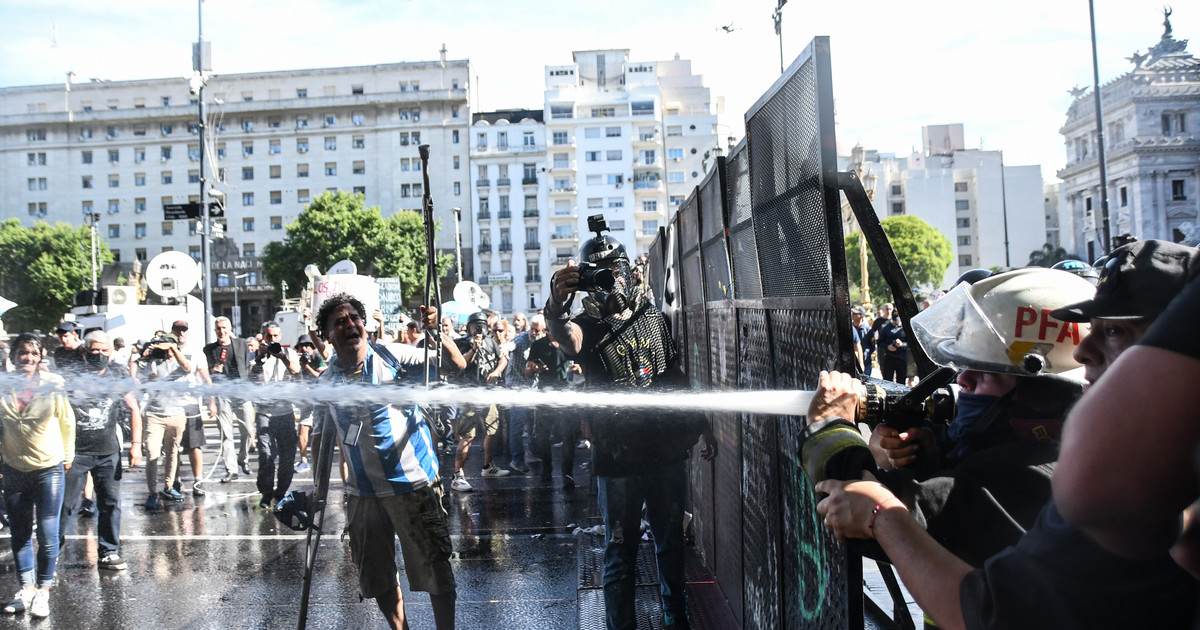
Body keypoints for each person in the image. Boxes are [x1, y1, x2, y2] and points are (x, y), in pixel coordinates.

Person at [809, 245, 1200, 629]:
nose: (1084, 352)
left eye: (986, 372)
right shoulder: (1065, 457)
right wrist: (930, 457)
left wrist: (830, 429)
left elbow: (981, 604)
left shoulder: (1070, 479)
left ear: (1040, 389)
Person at [546, 214, 716, 630]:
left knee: (670, 545)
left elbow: (675, 374)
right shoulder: (586, 327)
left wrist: (702, 421)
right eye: (600, 276)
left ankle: (677, 621)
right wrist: (555, 304)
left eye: (615, 273)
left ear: (629, 272)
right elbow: (564, 336)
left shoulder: (654, 319)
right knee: (619, 554)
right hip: (618, 462)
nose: (611, 283)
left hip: (665, 455)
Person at [310, 292, 464, 630]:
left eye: (354, 318)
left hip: (413, 483)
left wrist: (439, 331)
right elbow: (320, 441)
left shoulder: (390, 354)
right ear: (327, 336)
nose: (351, 324)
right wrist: (317, 494)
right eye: (340, 322)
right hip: (363, 494)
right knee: (376, 575)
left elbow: (455, 364)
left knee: (435, 569)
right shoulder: (326, 383)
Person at [0, 333, 74, 618]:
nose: (27, 359)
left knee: (47, 533)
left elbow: (67, 421)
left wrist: (67, 458)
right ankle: (26, 590)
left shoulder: (53, 385)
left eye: (33, 354)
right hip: (14, 468)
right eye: (22, 353)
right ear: (14, 356)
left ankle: (43, 591)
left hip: (49, 468)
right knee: (18, 532)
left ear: (40, 358)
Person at [59, 331, 141, 572]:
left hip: (108, 452)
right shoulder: (72, 375)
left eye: (105, 350)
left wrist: (135, 445)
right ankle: (53, 550)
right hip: (75, 453)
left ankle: (108, 551)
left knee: (110, 503)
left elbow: (133, 408)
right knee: (65, 504)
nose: (100, 354)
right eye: (95, 350)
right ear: (85, 351)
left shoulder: (118, 374)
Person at [448, 312, 509, 492]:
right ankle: (457, 475)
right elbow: (460, 365)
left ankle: (488, 467)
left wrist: (497, 371)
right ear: (469, 326)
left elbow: (503, 359)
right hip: (469, 396)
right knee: (468, 436)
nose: (479, 328)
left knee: (493, 430)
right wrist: (474, 348)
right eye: (475, 325)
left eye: (482, 324)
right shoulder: (462, 343)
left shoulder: (491, 342)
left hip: (488, 394)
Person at [139, 329, 198, 509]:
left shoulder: (181, 360)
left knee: (173, 452)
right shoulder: (154, 361)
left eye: (169, 345)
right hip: (154, 414)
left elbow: (187, 367)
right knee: (152, 453)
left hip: (176, 414)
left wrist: (173, 348)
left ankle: (169, 486)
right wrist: (149, 355)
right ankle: (151, 492)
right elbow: (143, 374)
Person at [250, 322, 300, 509]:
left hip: (285, 412)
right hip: (264, 410)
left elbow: (296, 371)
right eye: (269, 336)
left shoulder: (289, 353)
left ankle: (280, 492)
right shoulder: (255, 355)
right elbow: (249, 380)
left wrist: (281, 357)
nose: (272, 340)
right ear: (263, 336)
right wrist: (260, 356)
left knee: (288, 456)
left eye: (276, 336)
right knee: (266, 454)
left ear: (280, 337)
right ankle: (266, 492)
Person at [203, 316, 255, 481]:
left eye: (224, 328)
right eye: (218, 328)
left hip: (242, 392)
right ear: (215, 330)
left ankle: (243, 459)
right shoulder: (209, 349)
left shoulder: (241, 344)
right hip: (222, 394)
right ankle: (231, 469)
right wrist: (213, 371)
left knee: (247, 429)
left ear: (230, 328)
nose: (221, 331)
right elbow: (207, 374)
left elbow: (250, 365)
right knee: (226, 434)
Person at [526, 322, 577, 487]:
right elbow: (527, 370)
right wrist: (535, 369)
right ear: (546, 330)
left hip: (566, 395)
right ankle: (546, 470)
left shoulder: (570, 343)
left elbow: (583, 362)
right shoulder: (539, 345)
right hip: (545, 397)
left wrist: (580, 367)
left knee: (569, 437)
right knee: (542, 437)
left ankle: (567, 473)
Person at [169, 320, 215, 497]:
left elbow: (206, 378)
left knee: (194, 445)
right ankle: (175, 480)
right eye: (177, 330)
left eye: (183, 330)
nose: (181, 333)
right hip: (170, 404)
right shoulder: (166, 351)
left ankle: (198, 480)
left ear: (187, 332)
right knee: (173, 446)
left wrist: (211, 401)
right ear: (172, 331)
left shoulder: (196, 352)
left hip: (190, 403)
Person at [293, 334, 326, 472]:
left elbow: (321, 376)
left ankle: (321, 461)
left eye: (306, 346)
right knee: (303, 428)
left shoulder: (318, 356)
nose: (304, 349)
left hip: (322, 400)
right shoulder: (299, 359)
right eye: (301, 347)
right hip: (307, 400)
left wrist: (307, 367)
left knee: (322, 433)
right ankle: (304, 460)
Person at [875, 311, 908, 384]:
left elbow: (911, 344)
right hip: (889, 357)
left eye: (898, 320)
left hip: (902, 358)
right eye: (895, 320)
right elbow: (879, 342)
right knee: (887, 380)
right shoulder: (885, 329)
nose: (896, 322)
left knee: (901, 381)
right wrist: (887, 346)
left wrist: (902, 344)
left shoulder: (905, 329)